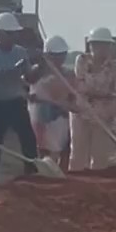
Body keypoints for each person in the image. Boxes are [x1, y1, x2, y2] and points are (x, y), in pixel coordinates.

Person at [0, 12, 43, 186]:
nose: (14, 37)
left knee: (28, 140)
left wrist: (38, 68)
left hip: (15, 101)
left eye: (15, 34)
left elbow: (29, 77)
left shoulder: (20, 52)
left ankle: (32, 177)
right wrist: (16, 68)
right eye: (11, 34)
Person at [70, 27, 116, 172]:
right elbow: (81, 85)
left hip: (104, 115)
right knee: (78, 153)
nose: (103, 49)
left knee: (100, 155)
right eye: (98, 45)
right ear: (91, 45)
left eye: (106, 45)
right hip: (82, 113)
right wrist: (102, 94)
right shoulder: (81, 60)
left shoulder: (114, 66)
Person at [29, 35, 74, 172]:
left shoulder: (67, 73)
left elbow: (73, 94)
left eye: (62, 55)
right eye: (56, 55)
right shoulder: (36, 72)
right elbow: (27, 89)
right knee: (45, 149)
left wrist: (69, 104)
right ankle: (46, 173)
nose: (60, 58)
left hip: (62, 116)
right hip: (42, 116)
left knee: (64, 147)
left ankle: (62, 174)